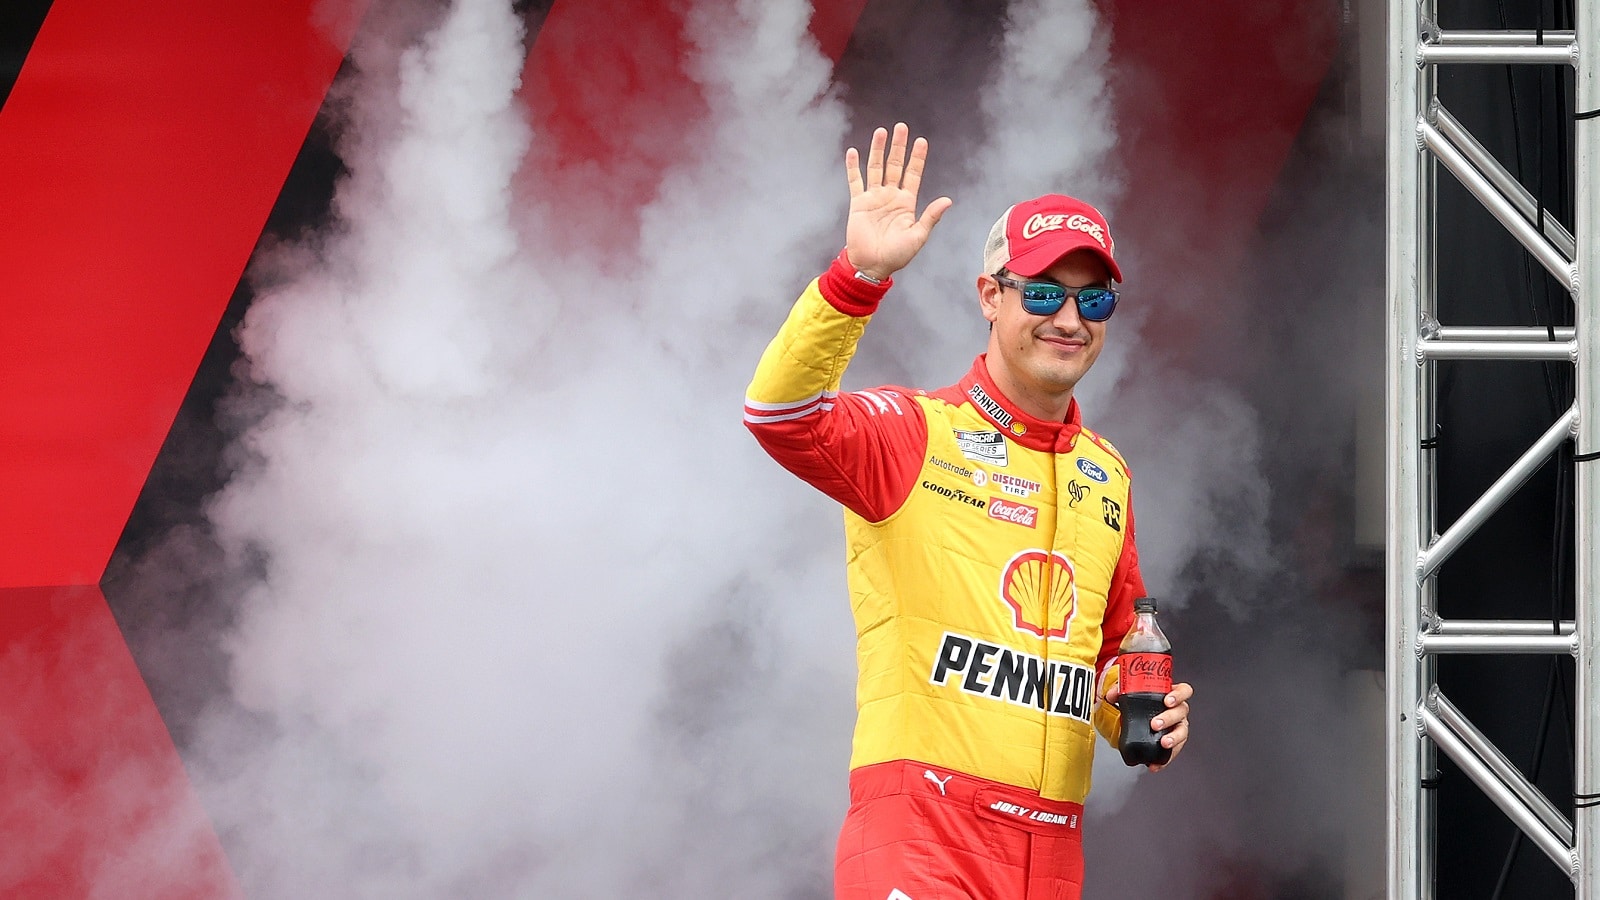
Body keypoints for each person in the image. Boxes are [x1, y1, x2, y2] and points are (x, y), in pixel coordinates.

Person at [743, 122, 1194, 899]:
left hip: (1052, 852)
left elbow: (1115, 653)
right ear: (991, 296)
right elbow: (778, 415)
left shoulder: (1106, 474)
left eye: (1096, 298)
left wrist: (1144, 712)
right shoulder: (915, 430)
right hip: (920, 836)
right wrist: (857, 277)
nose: (1070, 318)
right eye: (1045, 292)